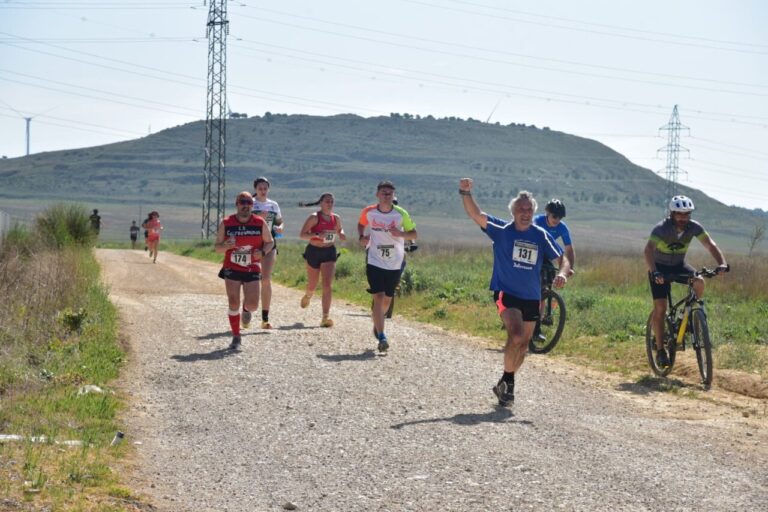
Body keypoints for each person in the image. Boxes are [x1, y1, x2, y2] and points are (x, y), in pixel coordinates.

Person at [459, 178, 569, 406]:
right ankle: (509, 383)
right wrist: (465, 192)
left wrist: (562, 273)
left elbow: (563, 259)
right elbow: (476, 215)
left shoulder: (540, 235)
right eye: (521, 209)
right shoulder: (501, 231)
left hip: (531, 297)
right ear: (513, 212)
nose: (525, 213)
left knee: (524, 344)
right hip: (506, 293)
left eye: (529, 209)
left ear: (534, 212)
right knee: (516, 335)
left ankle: (505, 383)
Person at [643, 195, 728, 368]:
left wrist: (722, 263)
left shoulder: (694, 227)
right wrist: (655, 271)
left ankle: (687, 318)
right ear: (672, 213)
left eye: (686, 214)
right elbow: (648, 250)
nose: (683, 218)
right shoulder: (661, 229)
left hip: (679, 265)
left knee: (699, 281)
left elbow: (710, 245)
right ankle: (660, 350)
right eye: (679, 214)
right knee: (660, 307)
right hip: (659, 268)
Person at [357, 181, 417, 352]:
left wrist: (401, 234)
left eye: (390, 193)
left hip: (395, 262)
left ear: (393, 195)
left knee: (387, 300)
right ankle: (382, 336)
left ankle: (377, 322)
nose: (386, 195)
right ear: (377, 194)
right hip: (374, 259)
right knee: (379, 296)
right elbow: (361, 224)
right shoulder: (369, 212)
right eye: (383, 192)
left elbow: (414, 234)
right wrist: (362, 236)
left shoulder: (401, 213)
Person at [214, 191, 274, 350]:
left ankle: (246, 309)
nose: (246, 205)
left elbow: (270, 242)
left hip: (252, 266)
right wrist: (225, 246)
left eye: (248, 203)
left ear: (252, 205)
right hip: (232, 266)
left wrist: (261, 252)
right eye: (242, 202)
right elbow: (217, 247)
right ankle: (236, 336)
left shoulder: (259, 222)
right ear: (237, 204)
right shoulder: (227, 223)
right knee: (233, 301)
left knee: (253, 305)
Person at [298, 193, 347, 327]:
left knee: (327, 285)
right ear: (321, 203)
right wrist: (318, 235)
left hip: (329, 251)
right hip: (314, 251)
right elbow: (302, 235)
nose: (329, 204)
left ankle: (325, 317)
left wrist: (341, 233)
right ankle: (308, 295)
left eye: (331, 201)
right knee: (313, 284)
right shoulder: (314, 218)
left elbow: (339, 229)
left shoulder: (336, 218)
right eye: (327, 201)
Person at [531, 198, 575, 341]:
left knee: (543, 288)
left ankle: (539, 320)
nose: (557, 220)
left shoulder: (562, 228)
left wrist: (569, 269)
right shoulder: (536, 221)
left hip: (546, 256)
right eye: (554, 216)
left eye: (560, 217)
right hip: (532, 253)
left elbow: (569, 249)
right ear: (547, 214)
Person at [252, 177, 284, 329]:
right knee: (250, 280)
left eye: (265, 188)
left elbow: (279, 221)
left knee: (265, 279)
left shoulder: (273, 204)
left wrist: (280, 228)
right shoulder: (250, 203)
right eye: (260, 188)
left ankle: (265, 318)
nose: (263, 191)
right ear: (255, 189)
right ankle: (247, 309)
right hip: (251, 245)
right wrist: (257, 218)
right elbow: (242, 220)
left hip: (269, 243)